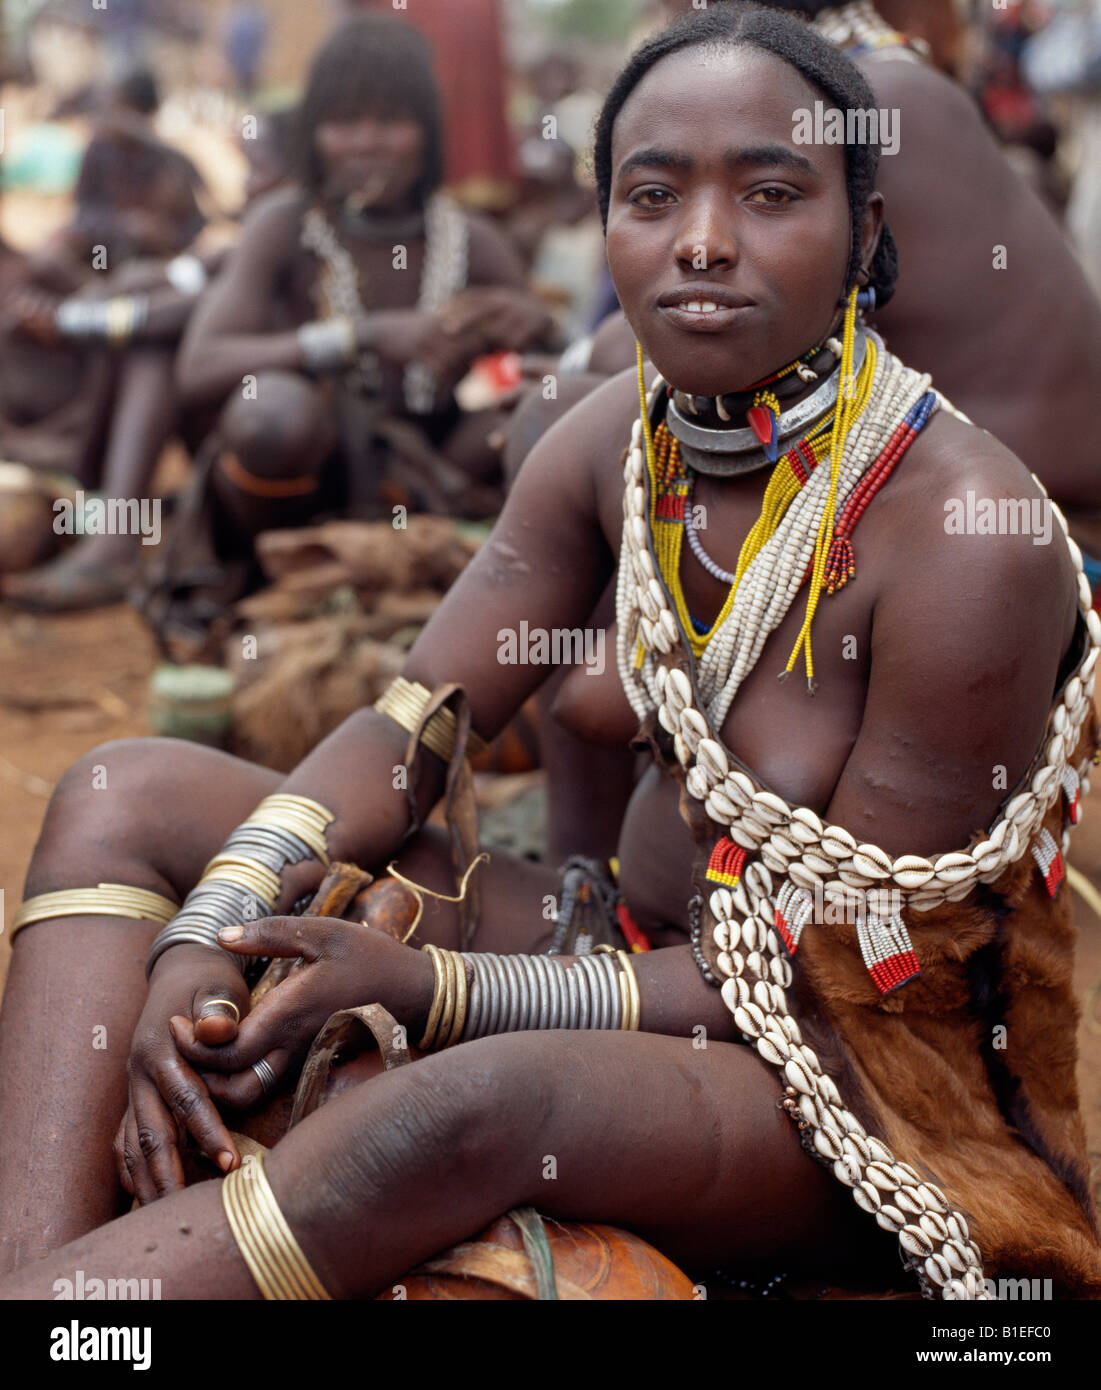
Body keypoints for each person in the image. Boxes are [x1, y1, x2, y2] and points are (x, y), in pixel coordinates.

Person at [2, 5, 1099, 1300]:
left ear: (864, 233)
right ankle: (53, 1284)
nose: (701, 240)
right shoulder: (619, 440)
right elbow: (413, 727)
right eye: (651, 194)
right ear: (607, 227)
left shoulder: (967, 541)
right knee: (122, 791)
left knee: (455, 1109)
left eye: (768, 191)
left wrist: (442, 986)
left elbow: (846, 981)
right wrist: (213, 920)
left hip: (861, 1074)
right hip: (632, 944)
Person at [168, 14, 553, 626]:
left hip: (439, 475)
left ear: (426, 133)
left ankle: (445, 570)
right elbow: (201, 365)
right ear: (313, 133)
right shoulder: (284, 224)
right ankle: (287, 581)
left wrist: (529, 326)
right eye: (344, 123)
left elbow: (558, 364)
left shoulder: (470, 238)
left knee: (543, 405)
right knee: (271, 413)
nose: (367, 142)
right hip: (312, 480)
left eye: (390, 121)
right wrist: (363, 337)